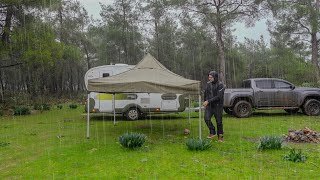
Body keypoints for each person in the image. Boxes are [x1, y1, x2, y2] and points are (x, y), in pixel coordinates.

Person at [203, 71, 225, 142]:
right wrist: (205, 102)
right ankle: (212, 132)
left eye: (211, 77)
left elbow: (219, 97)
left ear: (215, 77)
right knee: (206, 118)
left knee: (219, 122)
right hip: (209, 105)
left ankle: (220, 137)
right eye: (209, 77)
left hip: (218, 106)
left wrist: (208, 101)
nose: (209, 78)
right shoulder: (208, 84)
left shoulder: (221, 85)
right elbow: (205, 94)